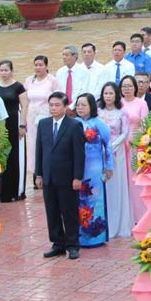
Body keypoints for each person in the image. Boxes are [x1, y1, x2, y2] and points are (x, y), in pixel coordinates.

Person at [35, 92, 85, 260]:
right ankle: (58, 243)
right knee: (52, 211)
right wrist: (39, 174)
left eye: (57, 105)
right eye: (51, 105)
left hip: (67, 177)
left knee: (69, 211)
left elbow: (79, 154)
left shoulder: (74, 125)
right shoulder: (43, 124)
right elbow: (39, 151)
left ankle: (72, 244)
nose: (54, 108)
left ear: (65, 107)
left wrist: (77, 177)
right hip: (48, 176)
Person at [74, 93, 111, 247]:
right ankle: (80, 236)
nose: (80, 108)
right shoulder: (73, 123)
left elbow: (108, 145)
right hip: (77, 169)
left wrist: (109, 167)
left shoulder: (99, 123)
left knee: (94, 201)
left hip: (94, 170)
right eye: (78, 105)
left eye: (84, 105)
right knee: (79, 201)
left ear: (91, 107)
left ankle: (96, 236)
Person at [97, 81, 132, 239]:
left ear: (116, 95)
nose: (108, 96)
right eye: (106, 93)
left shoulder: (122, 112)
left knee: (117, 186)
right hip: (99, 152)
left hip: (117, 152)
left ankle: (119, 225)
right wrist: (102, 146)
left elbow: (124, 133)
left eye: (111, 93)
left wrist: (110, 146)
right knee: (103, 187)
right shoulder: (97, 112)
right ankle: (103, 224)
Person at [0, 61, 28, 202]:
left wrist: (22, 125)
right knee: (2, 155)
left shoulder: (18, 87)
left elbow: (24, 106)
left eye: (6, 70)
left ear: (12, 71)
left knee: (15, 156)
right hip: (0, 124)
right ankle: (1, 192)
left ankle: (17, 191)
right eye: (1, 70)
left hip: (14, 122)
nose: (4, 73)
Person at [25, 55, 60, 186]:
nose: (38, 67)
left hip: (47, 114)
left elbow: (59, 98)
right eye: (36, 65)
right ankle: (36, 174)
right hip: (32, 115)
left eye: (41, 65)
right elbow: (24, 99)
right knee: (34, 144)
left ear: (46, 66)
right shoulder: (29, 80)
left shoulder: (52, 80)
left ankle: (49, 174)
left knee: (48, 144)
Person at [119, 75, 149, 224]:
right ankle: (125, 216)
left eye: (130, 86)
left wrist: (138, 142)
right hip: (119, 146)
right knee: (122, 181)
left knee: (135, 182)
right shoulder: (118, 104)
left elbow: (145, 126)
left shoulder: (141, 103)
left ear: (135, 87)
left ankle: (140, 216)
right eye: (124, 86)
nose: (127, 89)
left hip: (136, 147)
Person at [55, 45, 88, 109]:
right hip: (62, 107)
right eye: (63, 55)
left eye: (67, 55)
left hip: (78, 107)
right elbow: (58, 90)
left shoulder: (84, 71)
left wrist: (71, 107)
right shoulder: (60, 72)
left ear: (74, 56)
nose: (64, 57)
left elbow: (84, 92)